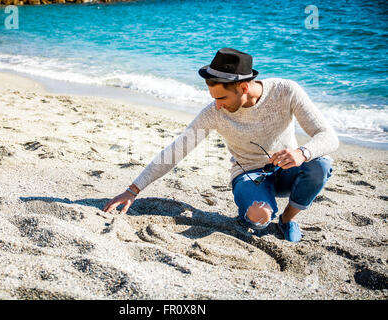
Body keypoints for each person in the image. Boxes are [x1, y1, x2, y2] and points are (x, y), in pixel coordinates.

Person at [103, 48, 339, 243]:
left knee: (321, 163)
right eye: (213, 98)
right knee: (260, 218)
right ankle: (252, 210)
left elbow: (328, 136)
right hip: (249, 173)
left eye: (221, 98)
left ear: (244, 87)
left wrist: (302, 152)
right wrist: (132, 190)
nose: (216, 105)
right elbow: (176, 151)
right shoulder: (213, 113)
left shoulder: (286, 91)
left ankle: (287, 219)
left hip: (286, 169)